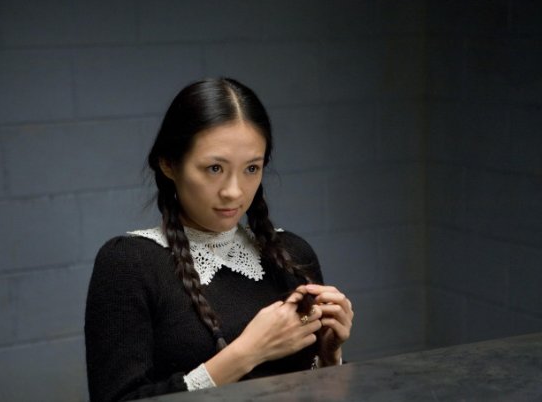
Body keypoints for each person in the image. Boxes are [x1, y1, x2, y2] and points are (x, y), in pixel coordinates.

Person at [84, 78, 354, 401]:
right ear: (169, 164)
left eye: (251, 168)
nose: (234, 192)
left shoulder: (292, 254)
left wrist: (329, 359)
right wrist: (247, 353)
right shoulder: (129, 263)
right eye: (214, 168)